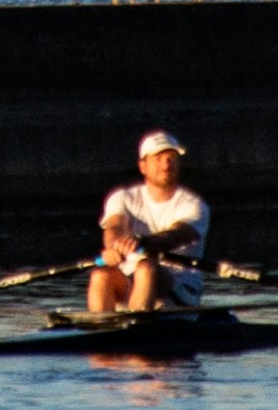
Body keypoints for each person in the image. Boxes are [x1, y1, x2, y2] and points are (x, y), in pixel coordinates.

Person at [89, 130, 208, 316]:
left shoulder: (194, 205)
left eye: (171, 157)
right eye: (158, 158)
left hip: (179, 287)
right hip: (133, 279)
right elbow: (114, 226)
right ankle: (99, 330)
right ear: (143, 166)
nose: (166, 164)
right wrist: (112, 247)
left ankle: (136, 331)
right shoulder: (122, 198)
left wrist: (142, 242)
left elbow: (176, 235)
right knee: (101, 274)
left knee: (147, 267)